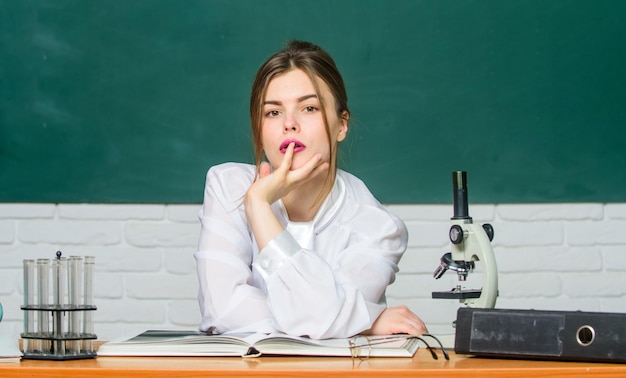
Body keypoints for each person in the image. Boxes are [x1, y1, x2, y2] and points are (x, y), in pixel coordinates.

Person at [195, 40, 427, 339]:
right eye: (273, 113)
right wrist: (360, 322)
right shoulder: (227, 186)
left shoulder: (377, 227)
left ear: (341, 125)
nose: (289, 124)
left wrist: (259, 208)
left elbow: (316, 318)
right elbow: (221, 312)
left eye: (309, 108)